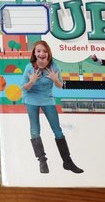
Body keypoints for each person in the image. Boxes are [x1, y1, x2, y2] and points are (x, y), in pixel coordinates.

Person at [22, 40, 83, 174]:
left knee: (57, 130)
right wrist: (31, 81)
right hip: (31, 99)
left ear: (48, 53)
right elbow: (24, 87)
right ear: (34, 53)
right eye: (38, 51)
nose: (41, 53)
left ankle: (67, 162)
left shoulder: (55, 67)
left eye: (44, 51)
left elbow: (60, 86)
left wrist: (55, 79)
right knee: (35, 131)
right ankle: (42, 160)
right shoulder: (29, 67)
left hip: (47, 99)